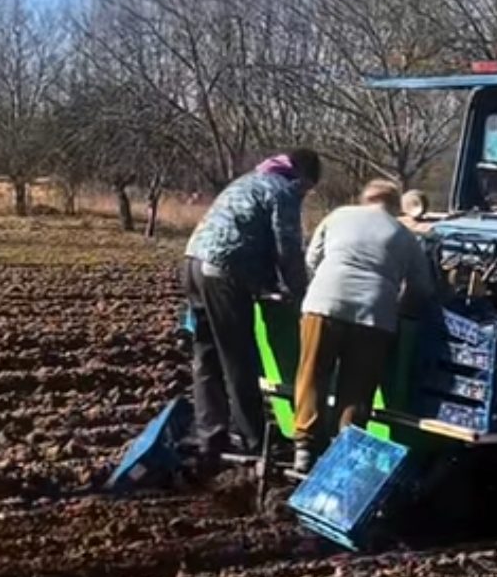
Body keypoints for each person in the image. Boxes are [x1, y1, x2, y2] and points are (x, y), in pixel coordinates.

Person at [179, 149, 322, 472]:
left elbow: (249, 234)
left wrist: (264, 284)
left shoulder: (249, 181)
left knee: (207, 356)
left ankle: (210, 435)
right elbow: (287, 247)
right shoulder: (284, 190)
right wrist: (300, 294)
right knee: (239, 357)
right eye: (308, 189)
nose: (305, 194)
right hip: (224, 271)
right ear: (303, 178)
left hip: (192, 264)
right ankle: (254, 441)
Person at [292, 178, 435, 472]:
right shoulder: (404, 235)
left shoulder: (338, 216)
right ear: (395, 206)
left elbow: (311, 259)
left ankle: (304, 449)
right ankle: (343, 455)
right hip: (374, 315)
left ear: (363, 199)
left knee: (312, 374)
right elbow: (421, 288)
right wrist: (401, 309)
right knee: (357, 390)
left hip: (324, 304)